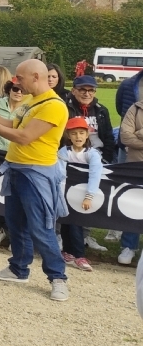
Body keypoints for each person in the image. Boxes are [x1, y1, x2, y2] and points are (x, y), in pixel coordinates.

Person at [0, 58, 71, 301]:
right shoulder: (31, 100)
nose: (16, 82)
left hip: (36, 173)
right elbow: (14, 124)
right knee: (15, 223)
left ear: (36, 77)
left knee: (41, 228)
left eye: (20, 77)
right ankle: (18, 268)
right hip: (18, 168)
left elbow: (24, 137)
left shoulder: (54, 106)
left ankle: (58, 277)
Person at [0, 77, 26, 249]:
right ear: (9, 89)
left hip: (16, 153)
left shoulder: (28, 107)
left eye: (22, 90)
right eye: (15, 89)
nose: (18, 92)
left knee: (14, 195)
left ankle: (13, 232)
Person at [56, 117, 101, 273]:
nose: (78, 137)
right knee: (66, 222)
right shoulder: (64, 152)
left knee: (76, 224)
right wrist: (58, 194)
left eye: (81, 133)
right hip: (66, 194)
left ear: (87, 134)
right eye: (74, 133)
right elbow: (60, 173)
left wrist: (89, 196)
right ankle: (67, 252)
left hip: (82, 196)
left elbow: (95, 174)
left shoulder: (92, 154)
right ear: (68, 135)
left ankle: (79, 254)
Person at [116, 98, 143, 265]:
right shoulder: (136, 108)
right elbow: (126, 137)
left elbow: (133, 136)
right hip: (136, 165)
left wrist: (140, 132)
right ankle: (129, 246)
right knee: (134, 206)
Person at [65, 75, 115, 165]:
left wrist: (106, 159)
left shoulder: (102, 110)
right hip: (71, 158)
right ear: (73, 91)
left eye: (91, 90)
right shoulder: (64, 109)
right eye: (82, 89)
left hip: (98, 156)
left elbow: (109, 138)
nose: (87, 94)